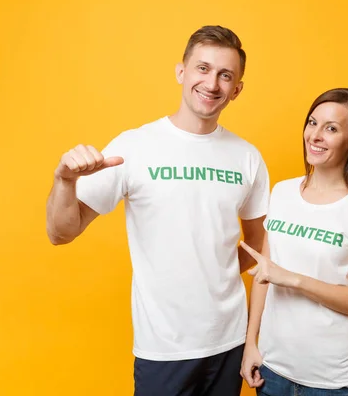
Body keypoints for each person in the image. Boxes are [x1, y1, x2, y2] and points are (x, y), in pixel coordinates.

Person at [45, 25, 270, 396]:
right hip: (163, 348)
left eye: (225, 75)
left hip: (229, 342)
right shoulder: (135, 146)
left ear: (237, 89)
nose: (212, 83)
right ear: (181, 71)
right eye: (203, 68)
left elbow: (258, 245)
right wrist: (64, 181)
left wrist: (211, 268)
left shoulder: (247, 157)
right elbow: (60, 233)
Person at [240, 88, 348, 396]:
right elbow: (264, 274)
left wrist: (295, 279)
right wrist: (251, 343)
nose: (315, 135)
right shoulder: (282, 192)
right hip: (274, 373)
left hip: (335, 384)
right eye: (312, 123)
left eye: (331, 128)